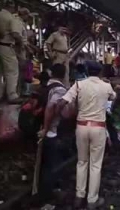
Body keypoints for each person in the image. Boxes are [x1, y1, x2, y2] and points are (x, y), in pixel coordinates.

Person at [57, 61, 116, 209]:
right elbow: (114, 97)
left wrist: (59, 118)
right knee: (96, 165)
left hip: (81, 127)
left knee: (82, 162)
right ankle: (92, 200)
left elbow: (62, 102)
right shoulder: (106, 86)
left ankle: (79, 196)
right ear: (100, 72)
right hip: (98, 128)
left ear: (87, 71)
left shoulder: (78, 84)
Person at [37, 64, 68, 206]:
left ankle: (41, 191)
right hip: (50, 132)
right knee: (51, 165)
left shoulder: (44, 86)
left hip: (38, 130)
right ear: (64, 74)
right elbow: (51, 108)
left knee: (43, 164)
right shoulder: (60, 89)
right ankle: (48, 196)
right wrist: (46, 129)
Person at [0, 1, 23, 104]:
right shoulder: (12, 18)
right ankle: (12, 95)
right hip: (6, 46)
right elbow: (15, 33)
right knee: (12, 71)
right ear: (14, 8)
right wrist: (21, 43)